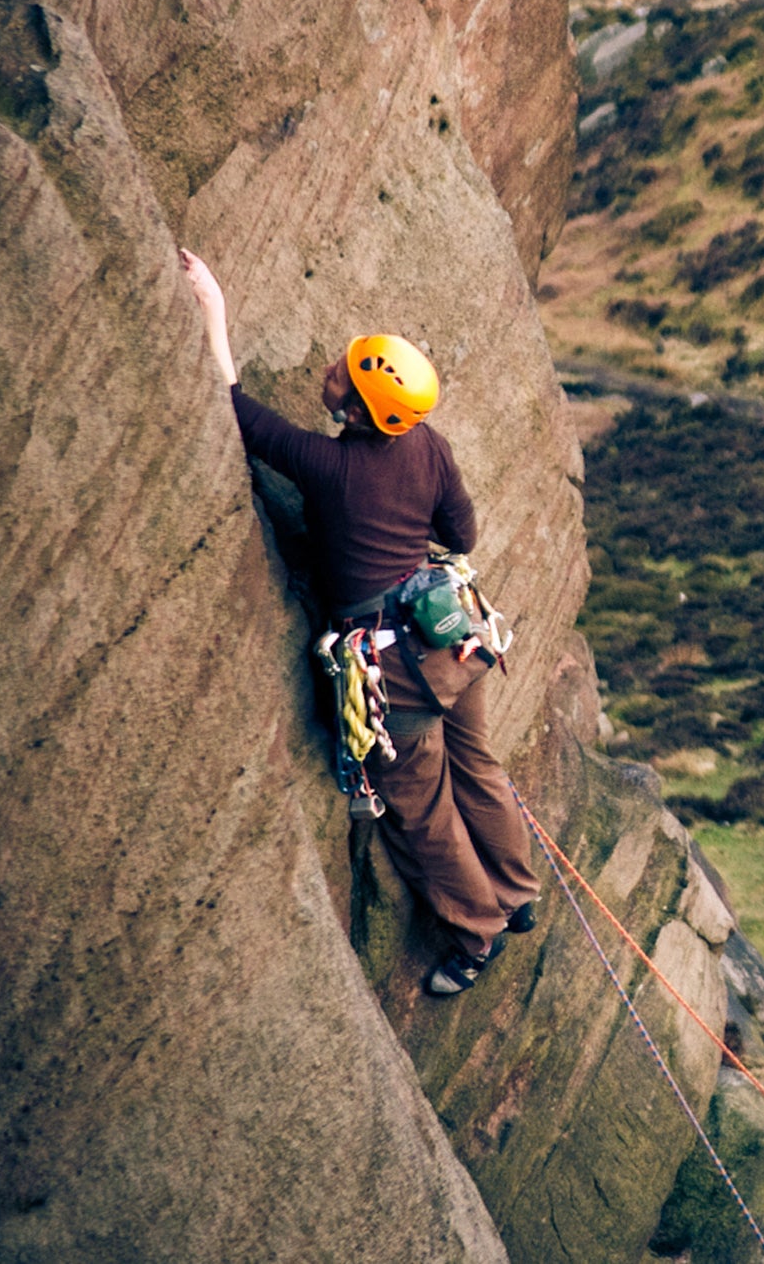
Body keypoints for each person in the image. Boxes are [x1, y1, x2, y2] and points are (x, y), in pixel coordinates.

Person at [180, 246, 539, 995]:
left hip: (393, 677)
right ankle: (518, 891)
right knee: (478, 764)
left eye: (345, 370)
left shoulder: (328, 466)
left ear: (356, 410)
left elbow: (237, 409)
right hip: (452, 639)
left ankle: (478, 932)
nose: (334, 367)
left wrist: (212, 308)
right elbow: (462, 535)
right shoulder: (426, 445)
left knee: (418, 806)